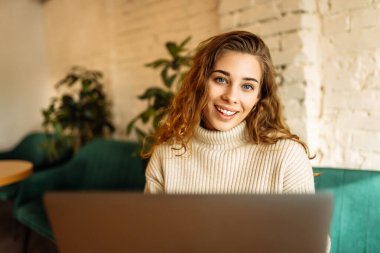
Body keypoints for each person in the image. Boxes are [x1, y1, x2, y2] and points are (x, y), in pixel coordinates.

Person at [143, 30, 315, 195]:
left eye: (247, 86)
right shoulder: (165, 155)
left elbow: (305, 226)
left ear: (258, 98)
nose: (231, 97)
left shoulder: (288, 156)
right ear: (200, 84)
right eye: (221, 79)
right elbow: (152, 225)